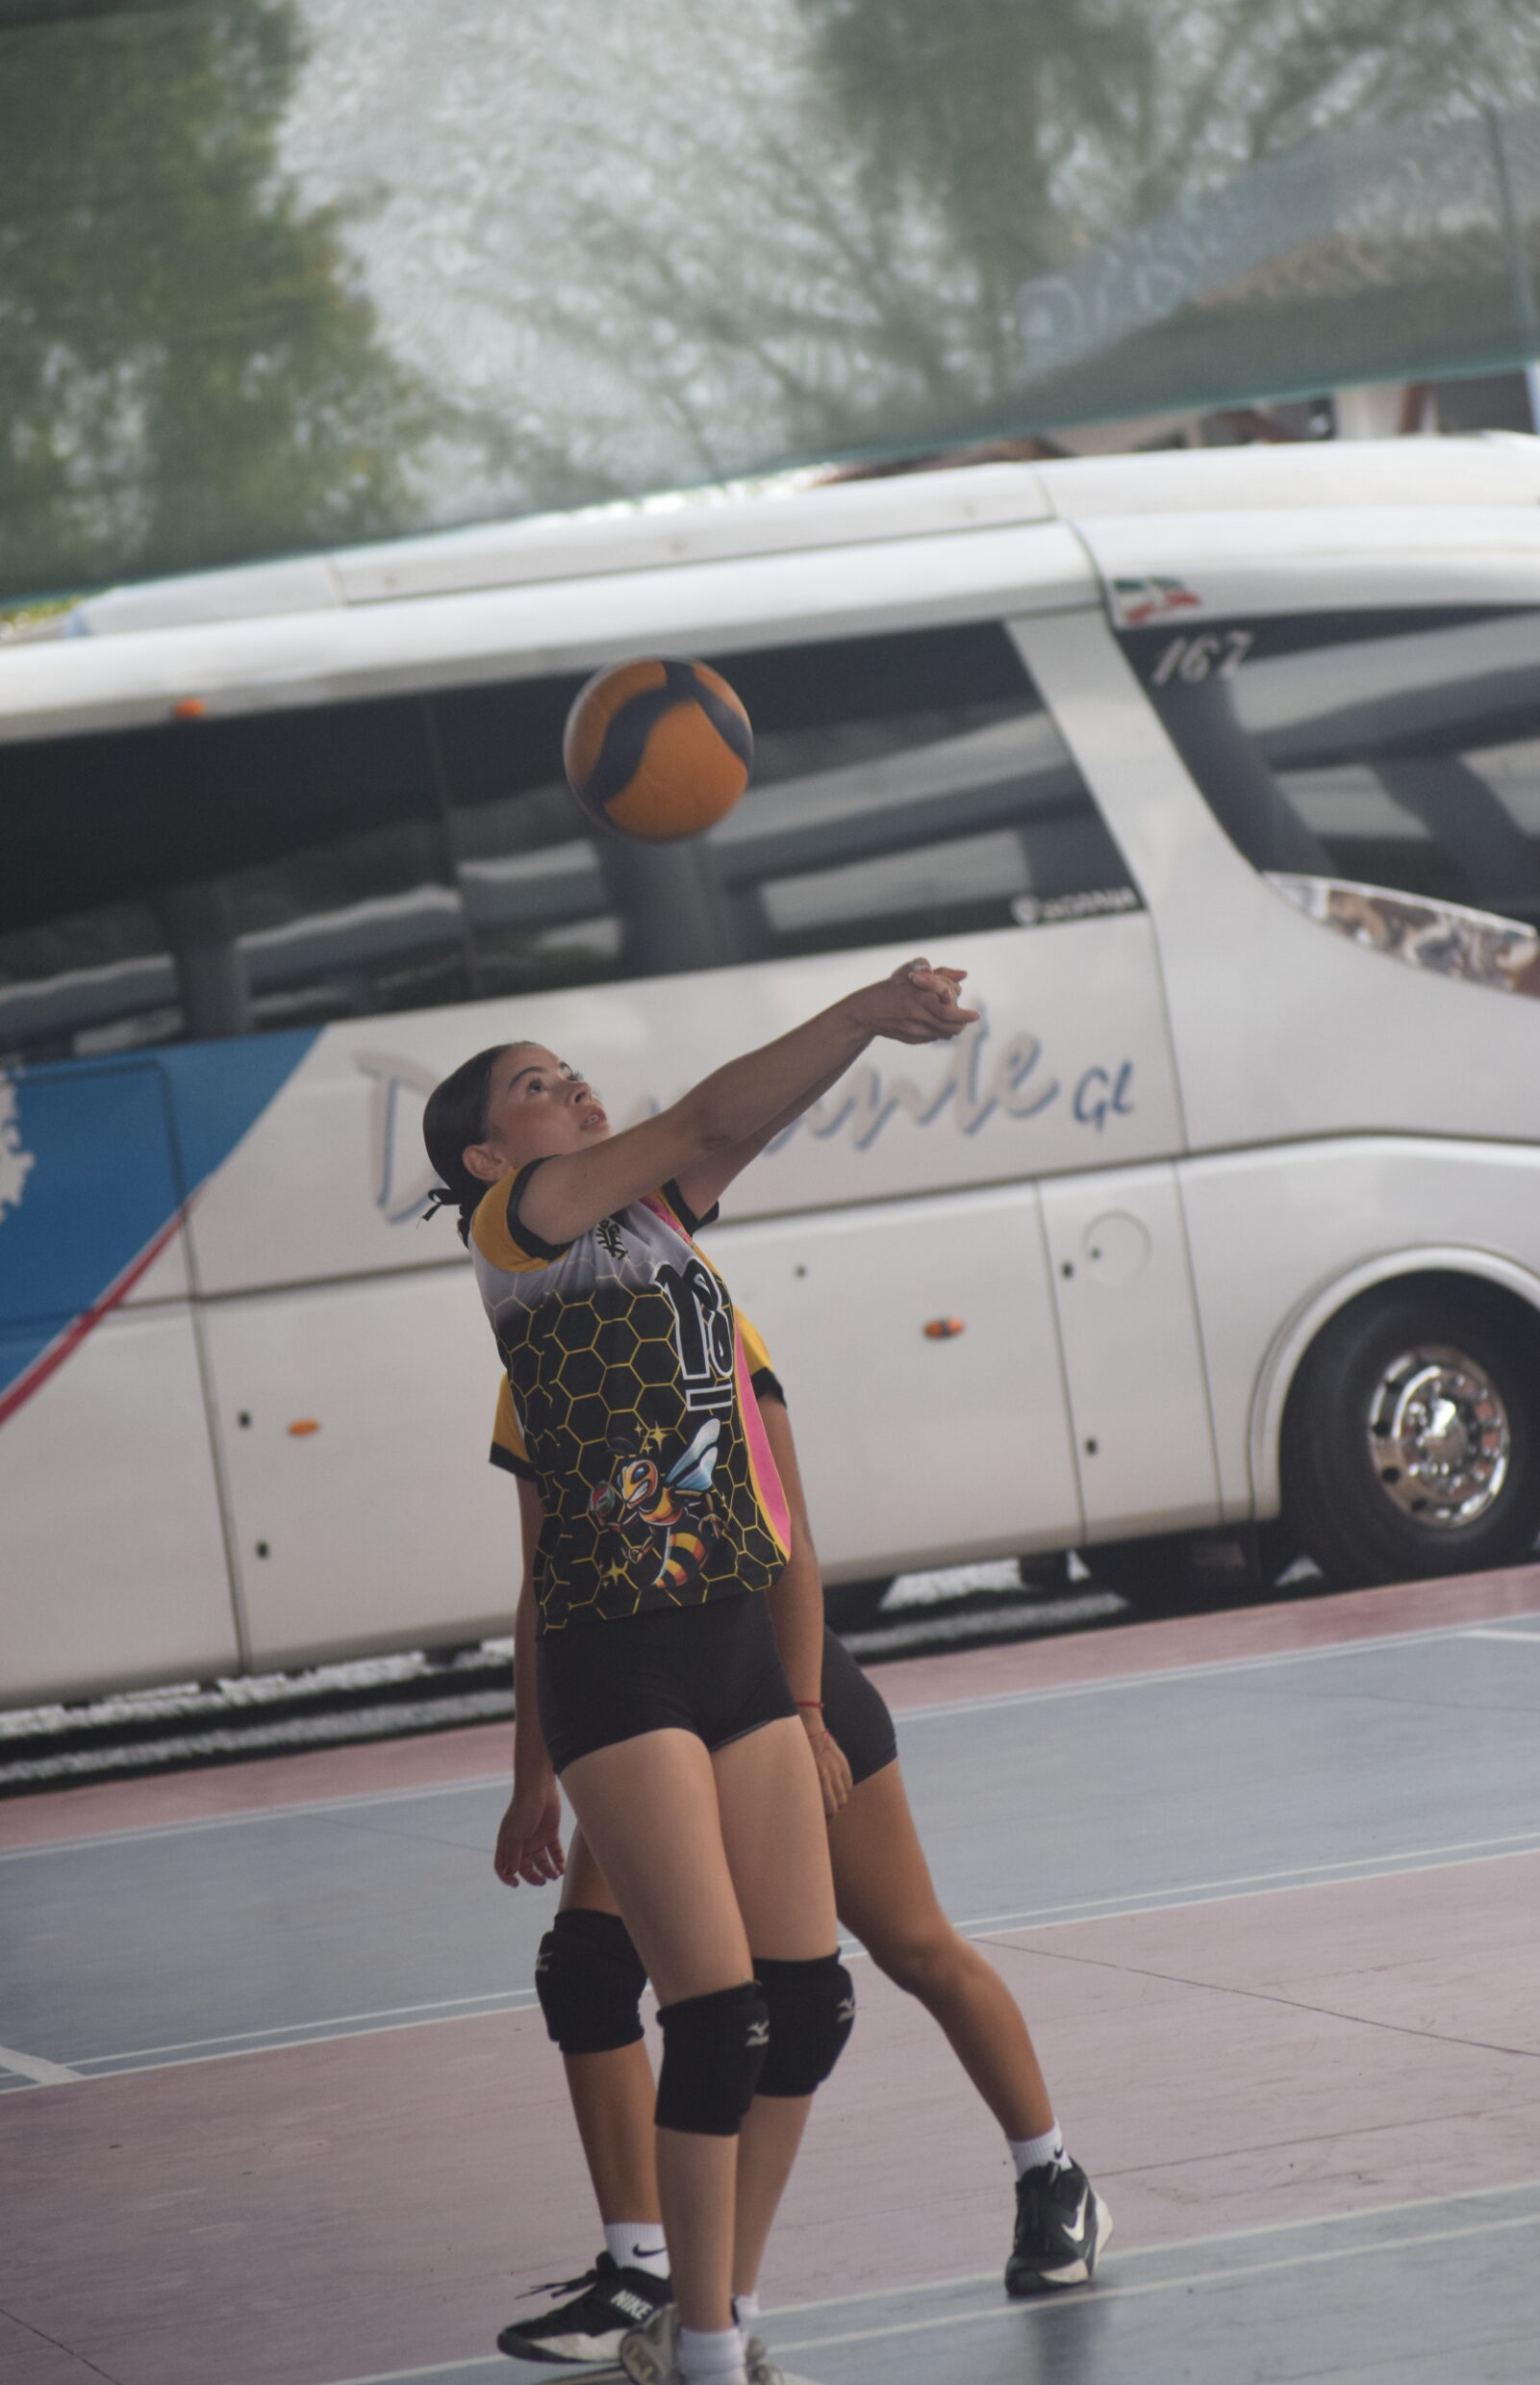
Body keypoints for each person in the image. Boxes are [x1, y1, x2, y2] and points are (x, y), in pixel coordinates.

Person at [420, 964, 975, 2385]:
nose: (575, 1093)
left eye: (573, 1075)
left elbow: (744, 1119)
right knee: (712, 2015)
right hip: (620, 1661)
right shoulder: (519, 1226)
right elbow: (701, 1115)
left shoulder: (651, 1220)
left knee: (808, 2006)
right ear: (487, 1157)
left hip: (737, 1645)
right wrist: (858, 1008)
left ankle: (691, 2322)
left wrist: (872, 1032)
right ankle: (707, 2349)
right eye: (537, 1087)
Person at [490, 1318, 1111, 2369]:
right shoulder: (538, 1351)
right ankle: (647, 2266)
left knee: (911, 1950)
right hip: (645, 1705)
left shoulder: (706, 1319)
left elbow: (790, 1530)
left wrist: (809, 1709)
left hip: (775, 1688)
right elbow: (545, 1582)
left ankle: (1051, 2173)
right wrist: (532, 1767)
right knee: (586, 1972)